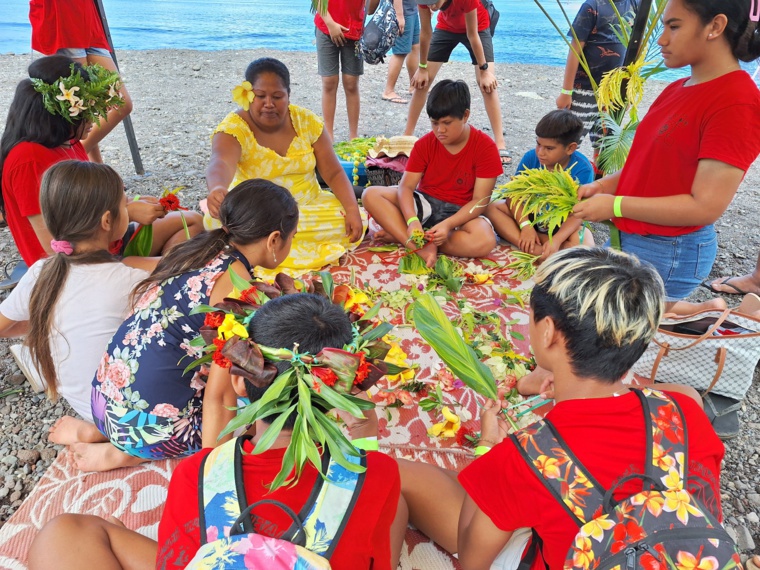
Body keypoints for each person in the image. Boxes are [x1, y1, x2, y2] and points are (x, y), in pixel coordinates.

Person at [394, 247, 724, 567]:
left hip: (572, 555)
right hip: (677, 553)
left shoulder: (529, 453)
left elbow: (471, 558)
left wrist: (489, 451)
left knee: (402, 474)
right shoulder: (685, 408)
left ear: (549, 331)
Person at [28, 294, 401, 570]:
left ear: (242, 385)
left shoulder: (197, 473)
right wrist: (363, 433)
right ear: (347, 391)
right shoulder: (378, 474)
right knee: (395, 506)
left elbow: (177, 559)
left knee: (64, 533)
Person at [49, 179, 298, 472]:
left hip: (103, 401)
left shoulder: (198, 250)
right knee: (272, 402)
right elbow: (220, 397)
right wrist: (213, 475)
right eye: (293, 236)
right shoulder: (238, 290)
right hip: (142, 427)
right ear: (273, 240)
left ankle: (99, 433)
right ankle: (129, 453)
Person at [572, 0, 760, 316]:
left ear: (715, 27)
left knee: (614, 330)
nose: (661, 39)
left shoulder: (737, 102)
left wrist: (615, 204)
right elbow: (648, 166)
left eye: (674, 26)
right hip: (636, 234)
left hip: (671, 246)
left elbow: (705, 205)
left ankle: (703, 316)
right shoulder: (677, 88)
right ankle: (698, 312)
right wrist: (604, 186)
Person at [0, 55, 203, 269]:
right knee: (184, 254)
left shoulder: (67, 142)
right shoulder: (28, 161)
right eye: (87, 111)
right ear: (65, 111)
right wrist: (127, 213)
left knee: (192, 221)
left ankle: (160, 276)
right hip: (78, 267)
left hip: (105, 243)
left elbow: (85, 202)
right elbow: (54, 247)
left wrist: (126, 203)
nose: (95, 119)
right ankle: (157, 279)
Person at [0, 161, 153, 425]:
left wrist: (47, 324)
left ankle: (92, 432)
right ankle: (103, 440)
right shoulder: (131, 281)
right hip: (126, 420)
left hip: (86, 409)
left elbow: (3, 326)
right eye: (124, 203)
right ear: (107, 220)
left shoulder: (40, 272)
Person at [205, 58, 365, 278]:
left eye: (277, 97)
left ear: (288, 95)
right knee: (214, 221)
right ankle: (275, 248)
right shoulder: (233, 128)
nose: (268, 103)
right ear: (247, 95)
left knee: (355, 220)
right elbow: (220, 162)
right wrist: (217, 188)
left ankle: (257, 254)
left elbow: (334, 172)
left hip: (307, 208)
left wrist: (352, 209)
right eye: (260, 96)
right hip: (257, 215)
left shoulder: (307, 122)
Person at [362, 79, 501, 267]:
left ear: (465, 115)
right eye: (434, 123)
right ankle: (415, 243)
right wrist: (411, 220)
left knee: (484, 240)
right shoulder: (425, 144)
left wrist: (448, 225)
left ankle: (404, 236)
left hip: (461, 211)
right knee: (370, 194)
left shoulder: (485, 148)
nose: (440, 130)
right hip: (426, 202)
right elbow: (406, 187)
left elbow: (480, 201)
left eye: (447, 123)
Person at [404, 0, 510, 166]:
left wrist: (484, 71)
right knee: (422, 82)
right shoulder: (423, 1)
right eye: (427, 4)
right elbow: (425, 32)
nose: (431, 7)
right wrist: (422, 67)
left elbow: (472, 34)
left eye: (434, 3)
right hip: (446, 28)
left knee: (487, 85)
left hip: (477, 27)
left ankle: (500, 142)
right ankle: (407, 136)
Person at [29, 0, 133, 163]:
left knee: (119, 103)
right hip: (63, 20)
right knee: (80, 108)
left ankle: (79, 164)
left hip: (89, 21)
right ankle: (81, 167)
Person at [486, 109, 595, 259]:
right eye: (538, 144)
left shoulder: (583, 169)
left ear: (570, 148)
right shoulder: (531, 158)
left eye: (549, 148)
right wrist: (526, 226)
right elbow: (513, 195)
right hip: (530, 217)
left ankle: (541, 246)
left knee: (585, 242)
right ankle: (540, 248)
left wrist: (556, 240)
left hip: (561, 226)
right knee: (492, 207)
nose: (540, 152)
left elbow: (578, 214)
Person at [556, 0, 638, 163]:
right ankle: (555, 175)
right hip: (584, 88)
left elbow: (634, 52)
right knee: (567, 138)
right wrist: (567, 91)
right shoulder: (592, 6)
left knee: (604, 140)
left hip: (613, 91)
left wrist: (628, 91)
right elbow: (574, 51)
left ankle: (597, 178)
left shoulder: (635, 5)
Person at [315, 0, 374, 140]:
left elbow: (370, 9)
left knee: (351, 83)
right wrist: (330, 24)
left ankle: (353, 135)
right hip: (326, 26)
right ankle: (328, 134)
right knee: (329, 81)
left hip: (353, 29)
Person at [381, 0, 421, 104]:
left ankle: (414, 85)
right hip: (403, 12)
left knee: (415, 46)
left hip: (412, 10)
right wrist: (399, 15)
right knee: (400, 52)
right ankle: (388, 91)